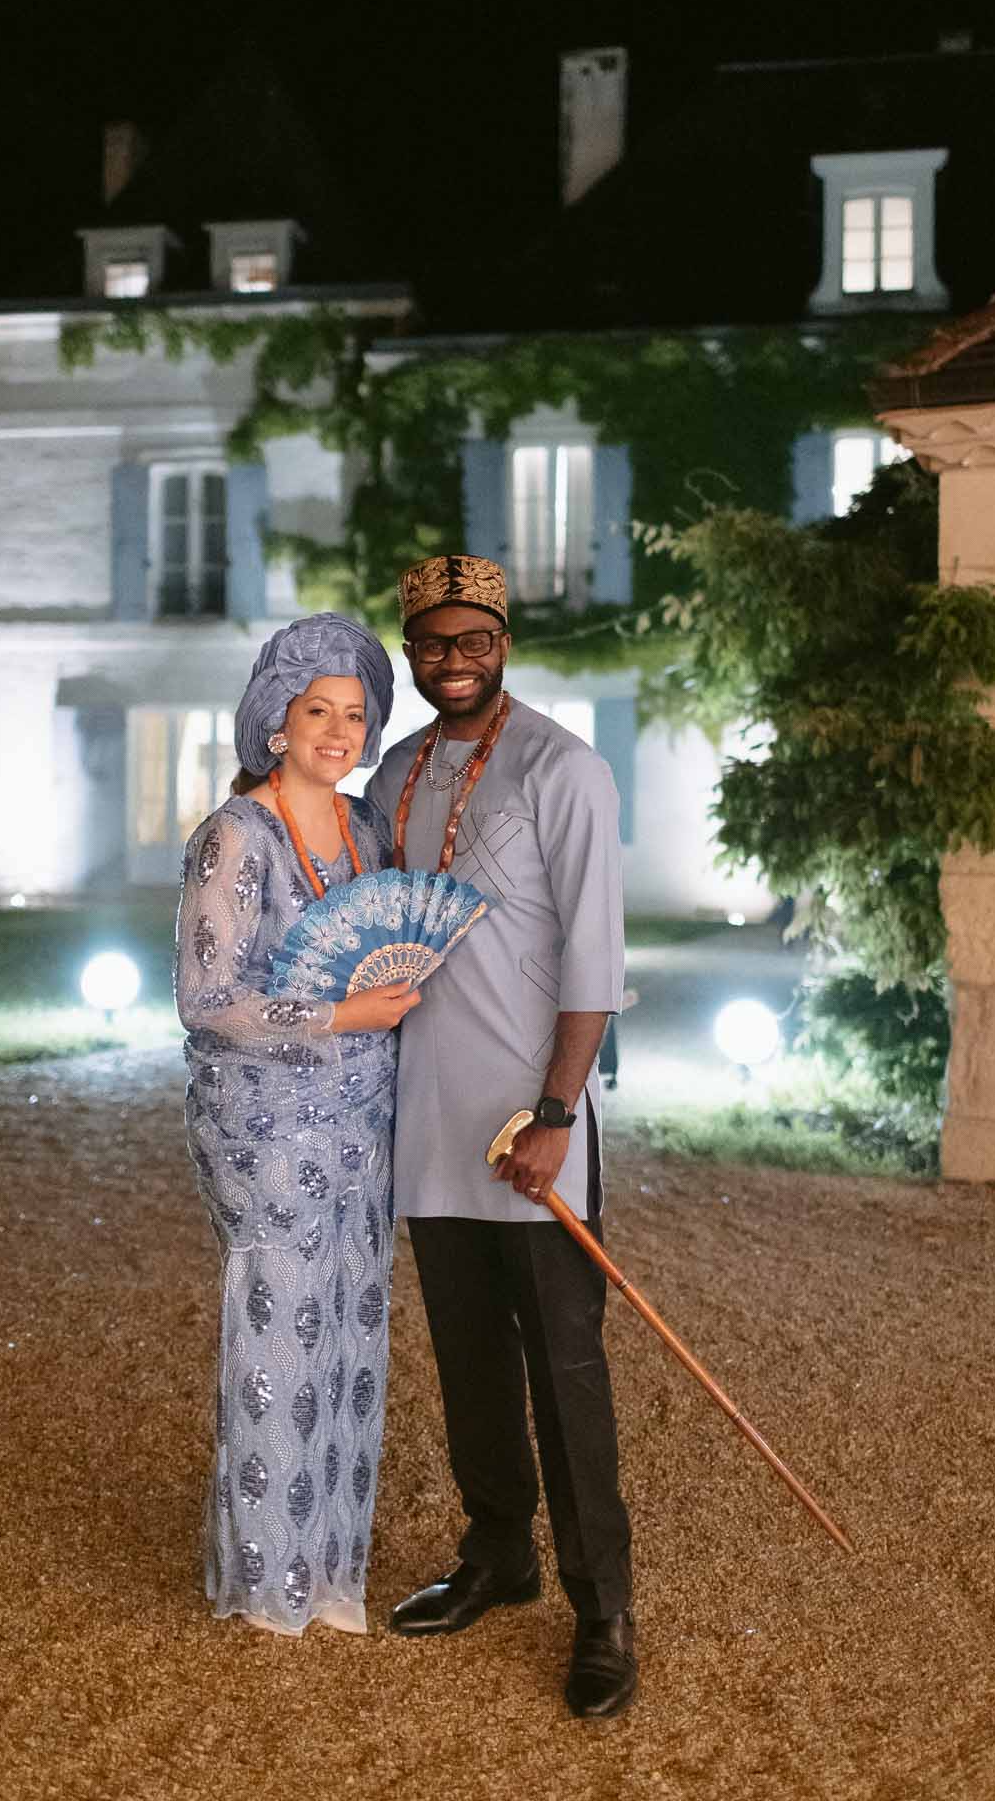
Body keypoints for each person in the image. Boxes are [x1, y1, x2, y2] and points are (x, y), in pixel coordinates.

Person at [367, 554, 638, 1719]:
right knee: (468, 1355)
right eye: (433, 642)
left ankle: (604, 1607)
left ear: (505, 642)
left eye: (474, 638)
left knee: (565, 1368)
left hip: (530, 1123)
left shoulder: (563, 768)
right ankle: (497, 1551)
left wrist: (558, 1112)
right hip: (424, 1121)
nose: (454, 659)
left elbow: (596, 955)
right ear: (412, 650)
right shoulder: (393, 771)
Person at [175, 612, 420, 1636]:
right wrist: (340, 1013)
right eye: (318, 709)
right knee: (279, 1326)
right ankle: (266, 1576)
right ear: (276, 721)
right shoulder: (235, 834)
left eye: (356, 713)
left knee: (354, 1325)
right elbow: (209, 997)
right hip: (266, 1126)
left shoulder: (366, 829)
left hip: (366, 1118)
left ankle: (331, 1569)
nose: (338, 729)